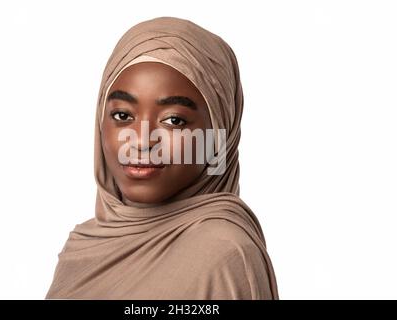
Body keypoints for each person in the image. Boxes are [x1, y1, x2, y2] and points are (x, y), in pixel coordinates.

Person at [45, 16, 279, 299]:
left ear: (219, 136)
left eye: (174, 121)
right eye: (122, 116)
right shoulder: (83, 247)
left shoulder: (224, 255)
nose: (142, 141)